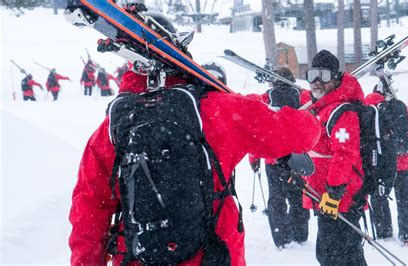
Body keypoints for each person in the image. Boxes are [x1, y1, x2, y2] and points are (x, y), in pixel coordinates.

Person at [69, 66, 322, 265]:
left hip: (139, 256)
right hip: (213, 255)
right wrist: (290, 102)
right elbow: (304, 134)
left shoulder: (112, 129)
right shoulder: (215, 110)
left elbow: (88, 212)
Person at [302, 50, 367, 265]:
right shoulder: (323, 109)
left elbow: (345, 154)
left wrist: (334, 192)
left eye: (324, 75)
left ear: (337, 78)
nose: (317, 81)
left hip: (340, 200)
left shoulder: (342, 111)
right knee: (341, 257)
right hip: (326, 198)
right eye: (312, 75)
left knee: (334, 258)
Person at [248, 66, 311, 249]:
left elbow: (256, 129)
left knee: (277, 199)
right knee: (298, 197)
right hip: (297, 158)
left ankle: (282, 238)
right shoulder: (302, 96)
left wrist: (254, 158)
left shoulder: (266, 98)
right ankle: (300, 235)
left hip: (273, 158)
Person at [365, 86, 408, 247]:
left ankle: (384, 232)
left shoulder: (367, 104)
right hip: (403, 162)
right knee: (404, 198)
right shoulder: (400, 106)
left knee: (379, 197)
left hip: (380, 163)